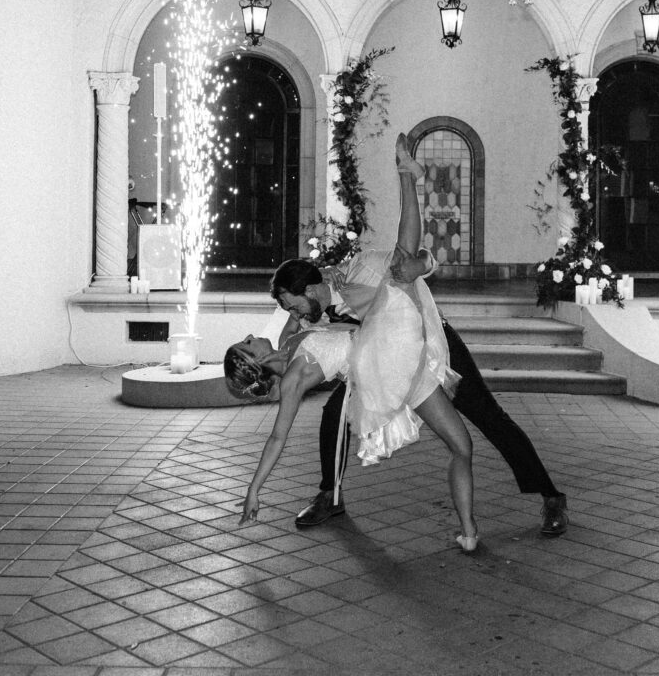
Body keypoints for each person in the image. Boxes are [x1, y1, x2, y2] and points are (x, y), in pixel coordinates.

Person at [270, 161, 569, 540]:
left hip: (432, 342)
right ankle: (330, 494)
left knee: (488, 416)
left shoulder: (360, 269)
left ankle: (551, 495)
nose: (295, 314)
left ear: (309, 291)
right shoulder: (314, 306)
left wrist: (424, 263)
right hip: (382, 362)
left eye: (293, 305)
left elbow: (416, 252)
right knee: (335, 411)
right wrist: (285, 336)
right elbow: (287, 344)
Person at [226, 134, 480, 552]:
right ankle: (408, 192)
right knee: (401, 270)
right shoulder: (293, 376)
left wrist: (342, 276)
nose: (254, 335)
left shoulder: (293, 331)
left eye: (292, 305)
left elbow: (327, 301)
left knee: (462, 445)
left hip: (389, 351)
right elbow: (277, 438)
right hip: (381, 361)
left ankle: (469, 532)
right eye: (247, 344)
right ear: (253, 365)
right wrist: (254, 490)